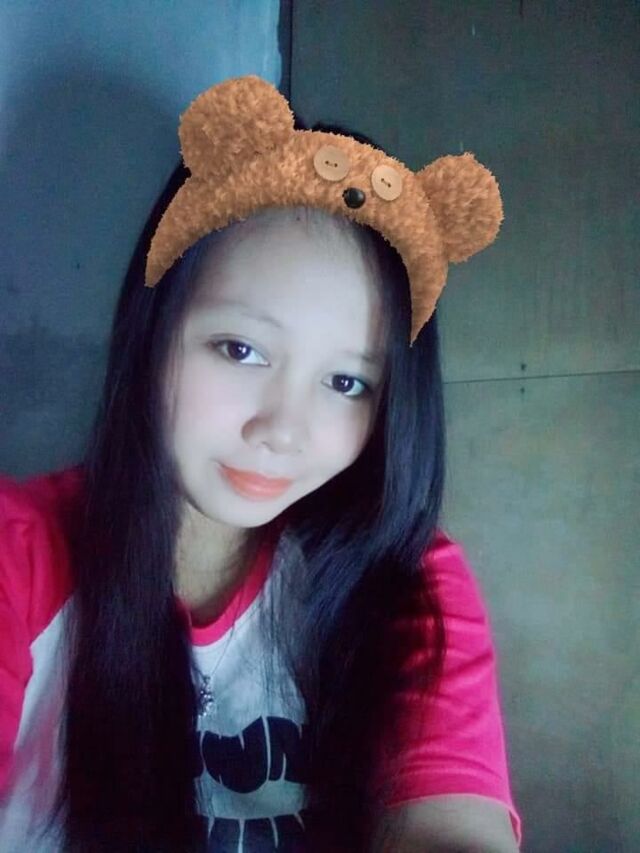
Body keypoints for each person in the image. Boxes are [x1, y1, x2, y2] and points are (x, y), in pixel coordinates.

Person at [0, 78, 522, 852]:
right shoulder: (20, 553)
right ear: (154, 328)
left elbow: (451, 823)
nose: (283, 431)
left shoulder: (408, 580)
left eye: (347, 383)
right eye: (240, 349)